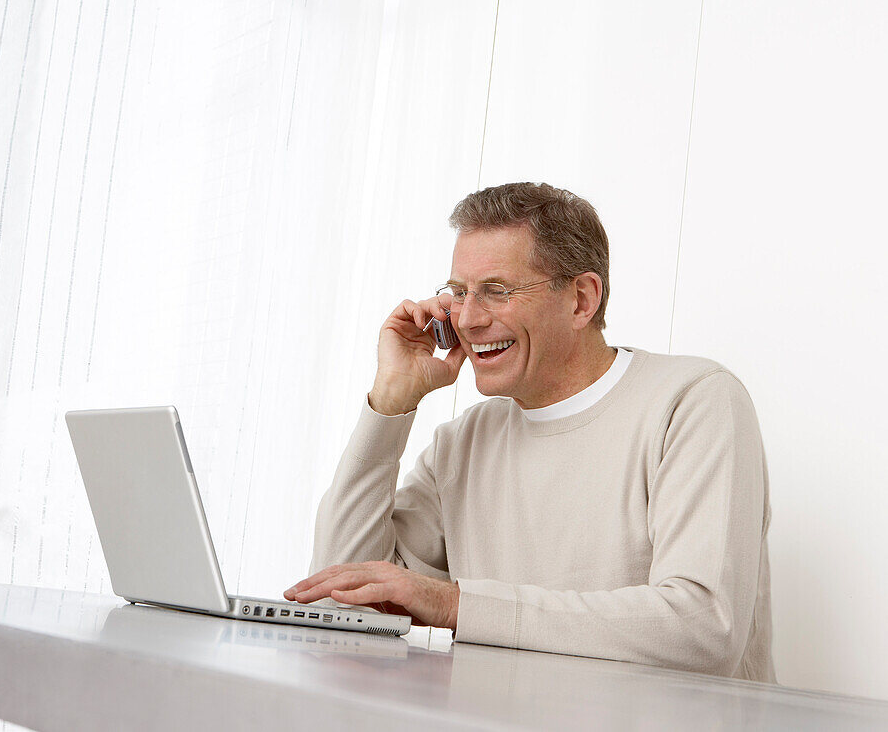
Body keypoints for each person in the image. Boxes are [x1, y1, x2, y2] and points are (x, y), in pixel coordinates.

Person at [283, 182, 775, 681]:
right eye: (458, 294)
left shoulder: (694, 401)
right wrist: (389, 405)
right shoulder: (462, 443)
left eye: (496, 291)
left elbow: (703, 628)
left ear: (582, 300)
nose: (469, 320)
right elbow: (343, 599)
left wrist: (459, 607)